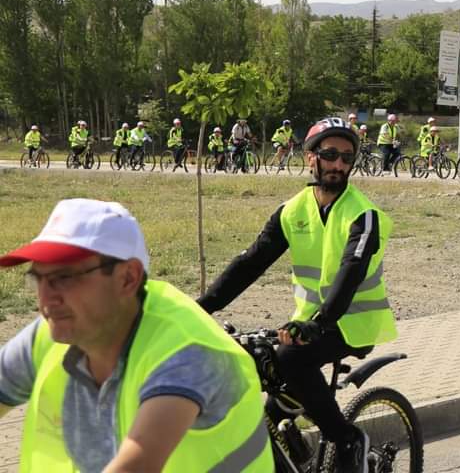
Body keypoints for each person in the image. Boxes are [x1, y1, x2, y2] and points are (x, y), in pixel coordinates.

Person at [0, 198, 272, 471]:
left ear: (128, 278)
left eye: (65, 278)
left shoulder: (188, 352)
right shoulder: (52, 333)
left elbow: (137, 465)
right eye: (38, 278)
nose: (46, 298)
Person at [198, 117, 395, 472]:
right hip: (309, 323)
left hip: (352, 324)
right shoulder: (293, 210)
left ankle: (346, 438)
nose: (338, 164)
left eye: (347, 158)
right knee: (264, 371)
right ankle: (294, 447)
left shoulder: (364, 215)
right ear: (310, 157)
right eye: (330, 154)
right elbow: (250, 263)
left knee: (289, 358)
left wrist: (317, 323)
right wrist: (200, 308)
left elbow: (351, 271)